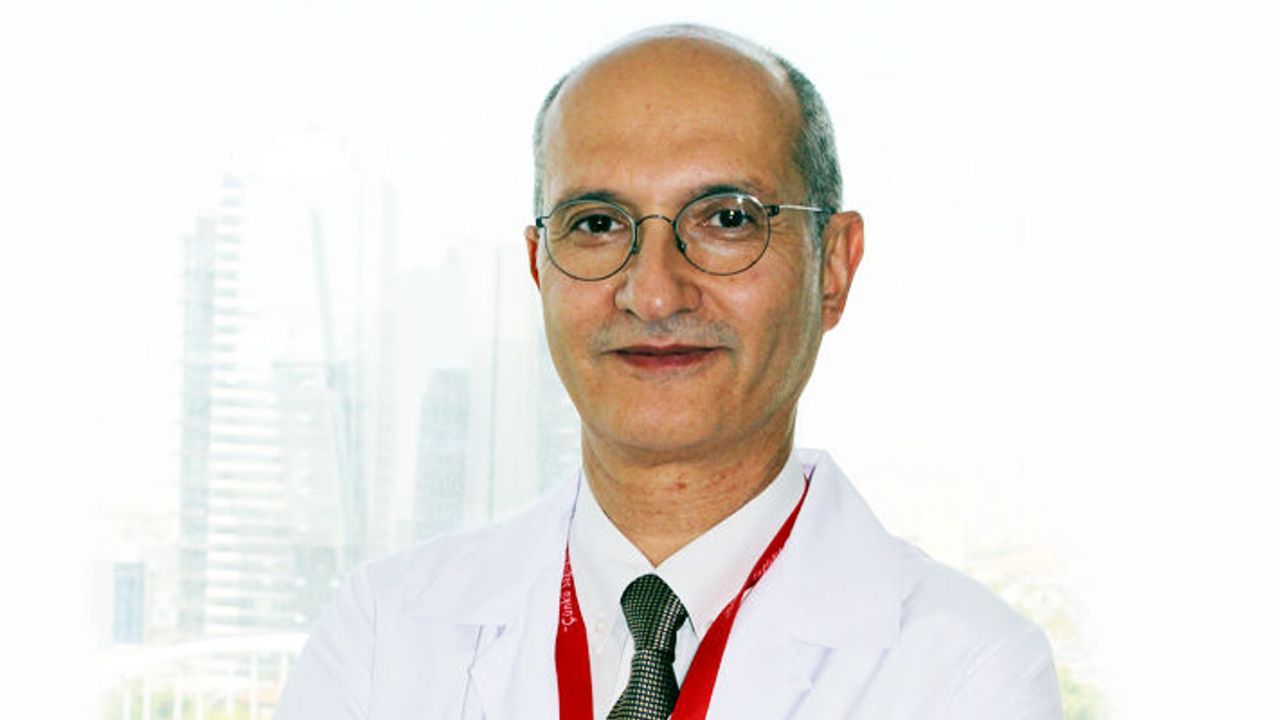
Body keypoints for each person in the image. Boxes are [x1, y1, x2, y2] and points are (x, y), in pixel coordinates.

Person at [277, 24, 1063, 720]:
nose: (653, 293)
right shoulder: (382, 636)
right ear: (539, 268)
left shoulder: (968, 675)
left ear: (833, 265)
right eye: (597, 224)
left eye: (726, 219)